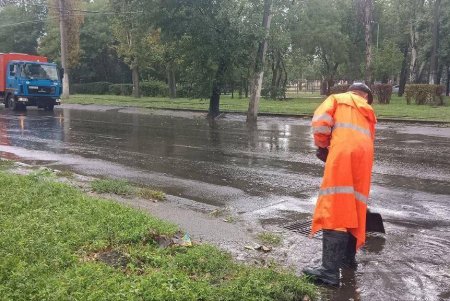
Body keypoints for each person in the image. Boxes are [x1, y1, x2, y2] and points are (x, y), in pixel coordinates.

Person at [303, 82, 377, 286]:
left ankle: (329, 272)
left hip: (343, 155)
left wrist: (323, 145)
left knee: (335, 207)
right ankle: (347, 260)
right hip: (364, 160)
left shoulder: (337, 99)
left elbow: (320, 122)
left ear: (351, 92)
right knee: (355, 205)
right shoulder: (368, 111)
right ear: (365, 96)